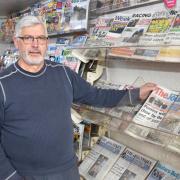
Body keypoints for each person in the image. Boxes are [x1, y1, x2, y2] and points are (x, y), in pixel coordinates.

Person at [0, 16, 156, 180]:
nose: (35, 44)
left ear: (47, 42)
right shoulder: (3, 84)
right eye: (28, 38)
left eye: (40, 38)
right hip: (25, 175)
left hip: (67, 171)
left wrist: (134, 94)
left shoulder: (63, 73)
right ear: (16, 42)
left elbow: (96, 96)